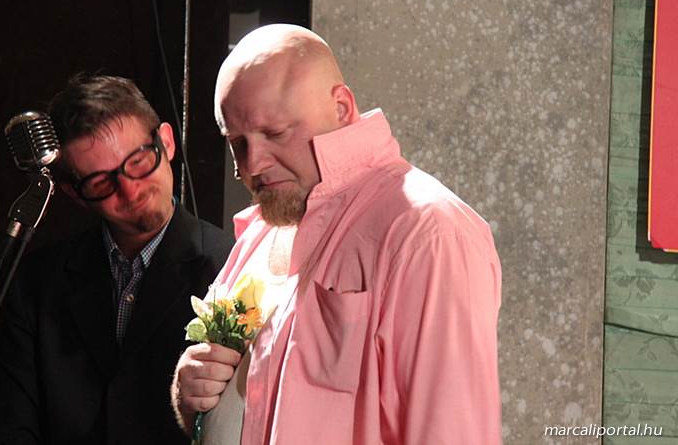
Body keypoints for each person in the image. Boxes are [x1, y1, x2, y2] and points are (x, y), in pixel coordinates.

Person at [171, 25, 502, 444]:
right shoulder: (260, 232)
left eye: (275, 133)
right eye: (237, 142)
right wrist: (190, 397)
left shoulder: (428, 234)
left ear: (342, 108)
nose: (251, 165)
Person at [0, 74, 233, 444]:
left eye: (138, 161)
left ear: (166, 142)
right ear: (74, 193)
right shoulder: (36, 283)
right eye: (101, 182)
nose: (130, 190)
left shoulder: (229, 266)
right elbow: (11, 425)